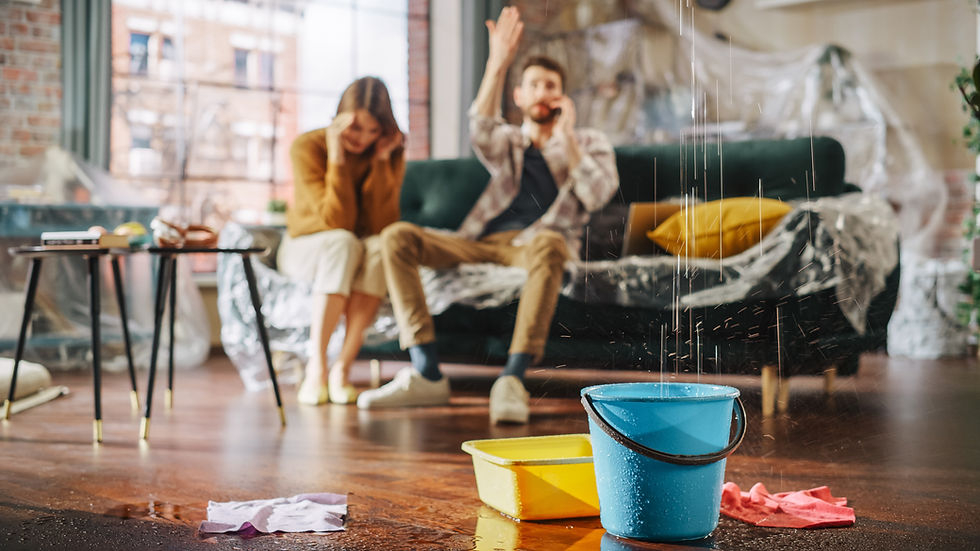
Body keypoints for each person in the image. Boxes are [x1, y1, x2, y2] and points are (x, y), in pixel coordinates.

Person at [357, 7, 619, 423]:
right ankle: (426, 371)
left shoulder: (589, 142)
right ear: (519, 96)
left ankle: (512, 379)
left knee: (551, 242)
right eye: (532, 84)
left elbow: (597, 194)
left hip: (536, 247)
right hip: (480, 242)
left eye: (550, 85)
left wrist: (567, 137)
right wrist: (498, 62)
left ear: (563, 97)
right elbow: (480, 127)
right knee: (397, 237)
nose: (541, 92)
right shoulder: (509, 143)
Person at [278, 76, 404, 405]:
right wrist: (336, 157)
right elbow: (337, 221)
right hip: (306, 248)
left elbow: (382, 224)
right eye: (355, 128)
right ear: (337, 119)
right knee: (342, 241)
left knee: (380, 246)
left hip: (356, 249)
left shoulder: (387, 151)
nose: (362, 139)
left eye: (373, 130)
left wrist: (380, 162)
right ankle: (317, 368)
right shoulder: (307, 146)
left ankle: (342, 369)